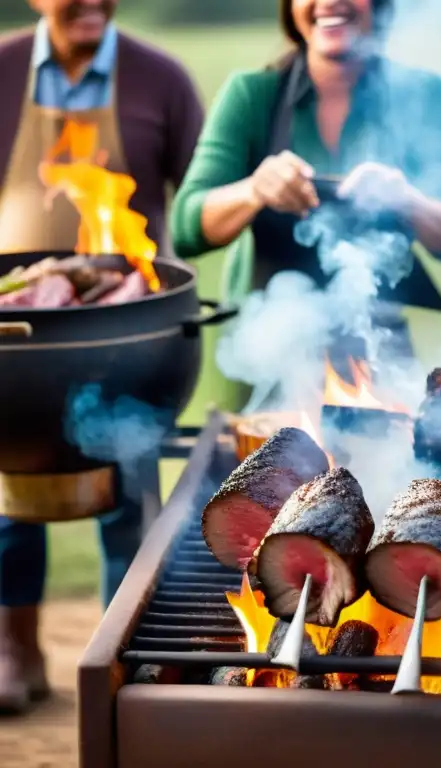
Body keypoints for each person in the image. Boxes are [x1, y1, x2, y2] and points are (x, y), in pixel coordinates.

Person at [0, 0, 204, 714]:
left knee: (129, 504)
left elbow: (197, 204)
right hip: (17, 333)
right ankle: (14, 650)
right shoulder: (0, 68)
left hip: (124, 333)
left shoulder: (162, 78)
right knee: (7, 505)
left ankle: (124, 657)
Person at [170, 0, 441, 383]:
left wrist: (404, 199)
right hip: (266, 351)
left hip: (379, 351)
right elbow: (185, 228)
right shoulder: (251, 94)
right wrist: (255, 189)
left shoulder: (421, 94)